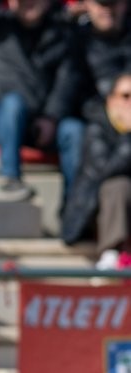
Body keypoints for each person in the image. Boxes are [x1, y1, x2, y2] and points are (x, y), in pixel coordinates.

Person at [0, 0, 84, 201]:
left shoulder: (62, 32)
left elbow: (68, 80)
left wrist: (51, 117)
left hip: (42, 123)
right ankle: (10, 178)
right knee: (13, 103)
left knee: (74, 130)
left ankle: (75, 205)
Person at [62, 72, 131, 270]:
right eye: (126, 96)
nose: (130, 103)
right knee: (119, 186)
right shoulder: (96, 128)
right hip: (94, 208)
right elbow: (104, 171)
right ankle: (112, 253)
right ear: (111, 99)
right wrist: (129, 135)